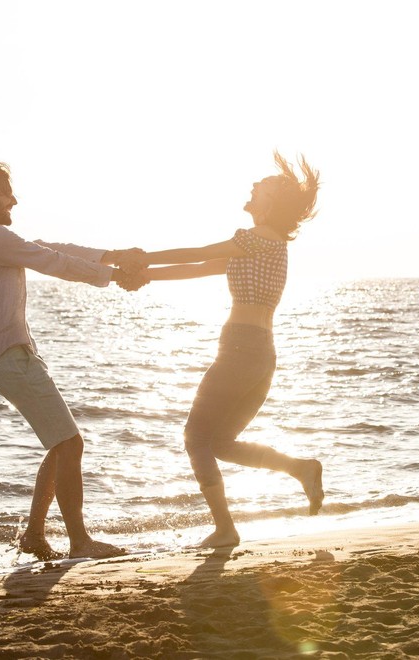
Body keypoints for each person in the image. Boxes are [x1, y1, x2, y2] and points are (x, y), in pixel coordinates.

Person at [0, 161, 145, 560]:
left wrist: (114, 255)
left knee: (61, 444)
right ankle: (80, 542)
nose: (14, 199)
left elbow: (53, 250)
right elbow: (53, 262)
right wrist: (113, 275)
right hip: (9, 357)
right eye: (7, 192)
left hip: (14, 355)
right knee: (70, 443)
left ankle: (34, 536)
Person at [135, 151, 324, 548]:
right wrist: (142, 275)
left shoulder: (256, 238)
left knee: (194, 437)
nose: (255, 186)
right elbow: (196, 268)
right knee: (219, 442)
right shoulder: (258, 247)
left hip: (240, 349)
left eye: (265, 187)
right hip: (260, 353)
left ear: (275, 203)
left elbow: (196, 252)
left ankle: (225, 529)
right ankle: (300, 469)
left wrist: (137, 259)